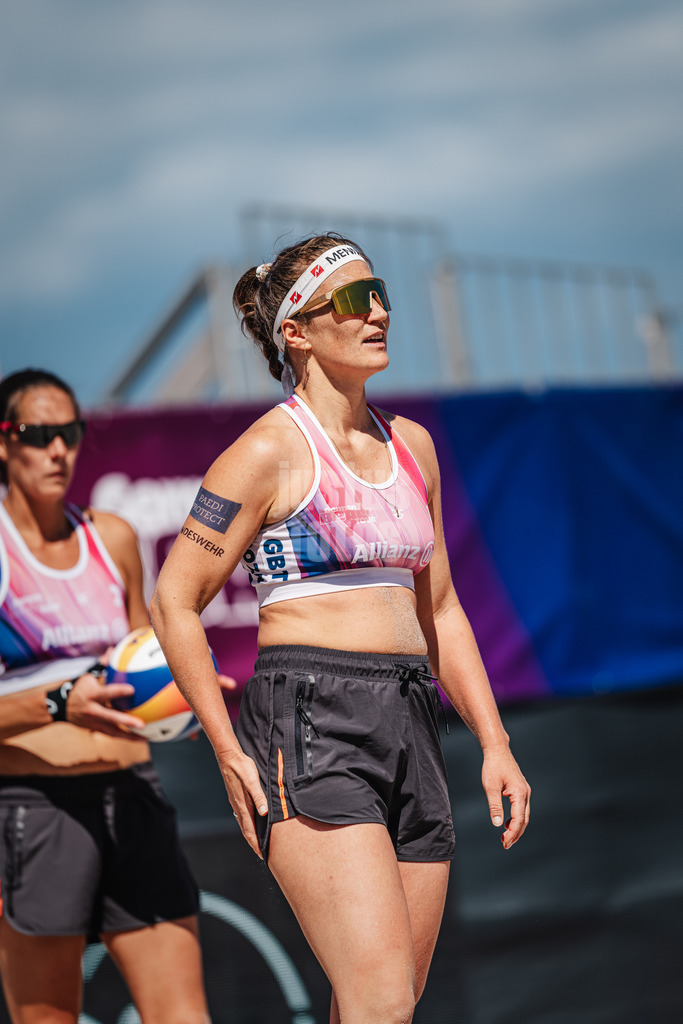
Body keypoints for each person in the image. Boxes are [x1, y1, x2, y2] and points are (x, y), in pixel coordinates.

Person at [150, 233, 531, 1024]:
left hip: (411, 716)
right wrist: (226, 751)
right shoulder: (265, 451)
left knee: (383, 1004)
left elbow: (443, 611)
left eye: (381, 293)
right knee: (380, 999)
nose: (380, 313)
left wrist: (494, 743)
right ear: (296, 329)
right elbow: (174, 600)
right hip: (312, 717)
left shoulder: (412, 447)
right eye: (356, 300)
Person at [0, 369, 209, 1024]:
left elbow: (146, 659)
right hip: (35, 805)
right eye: (38, 434)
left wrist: (186, 692)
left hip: (132, 793)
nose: (58, 449)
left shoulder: (111, 538)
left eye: (70, 432)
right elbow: (64, 695)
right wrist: (59, 701)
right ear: (4, 443)